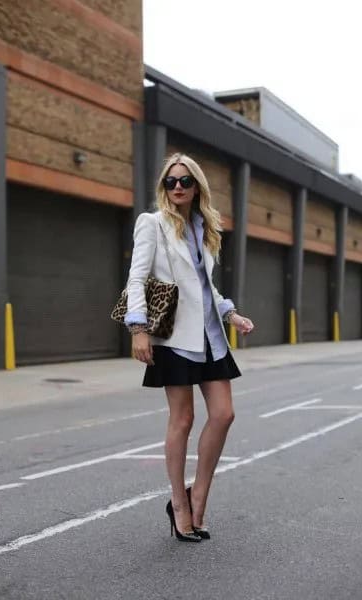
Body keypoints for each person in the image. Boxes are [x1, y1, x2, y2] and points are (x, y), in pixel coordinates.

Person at [124, 153, 254, 542]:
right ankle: (179, 505)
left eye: (185, 181)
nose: (177, 187)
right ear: (164, 186)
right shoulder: (153, 224)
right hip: (175, 337)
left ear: (197, 186)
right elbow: (137, 277)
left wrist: (231, 314)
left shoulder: (204, 227)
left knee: (224, 414)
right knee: (182, 420)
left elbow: (204, 286)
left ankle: (198, 493)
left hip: (211, 336)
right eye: (171, 181)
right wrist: (138, 328)